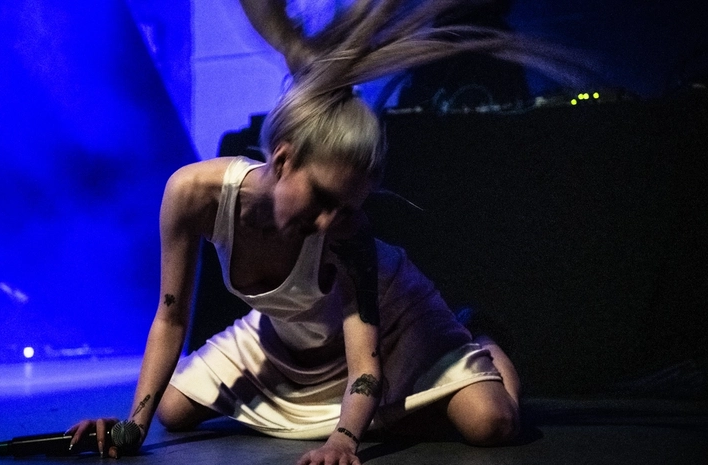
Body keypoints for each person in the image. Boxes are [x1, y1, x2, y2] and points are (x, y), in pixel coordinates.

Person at [68, 1, 579, 463]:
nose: (334, 221)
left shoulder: (349, 236)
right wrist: (129, 428)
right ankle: (374, 411)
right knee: (174, 410)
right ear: (284, 159)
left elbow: (365, 362)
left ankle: (480, 337)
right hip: (282, 338)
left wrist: (343, 439)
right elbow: (171, 318)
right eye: (324, 200)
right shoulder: (193, 194)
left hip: (393, 329)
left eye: (349, 207)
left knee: (493, 424)